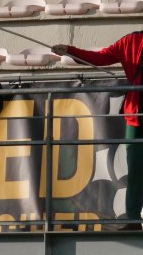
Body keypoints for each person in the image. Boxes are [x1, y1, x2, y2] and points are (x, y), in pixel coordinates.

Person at [53, 36, 143, 230]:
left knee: (136, 169)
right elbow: (100, 58)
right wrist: (70, 50)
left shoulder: (131, 41)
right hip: (136, 116)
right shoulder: (130, 41)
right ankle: (134, 218)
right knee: (135, 170)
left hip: (135, 114)